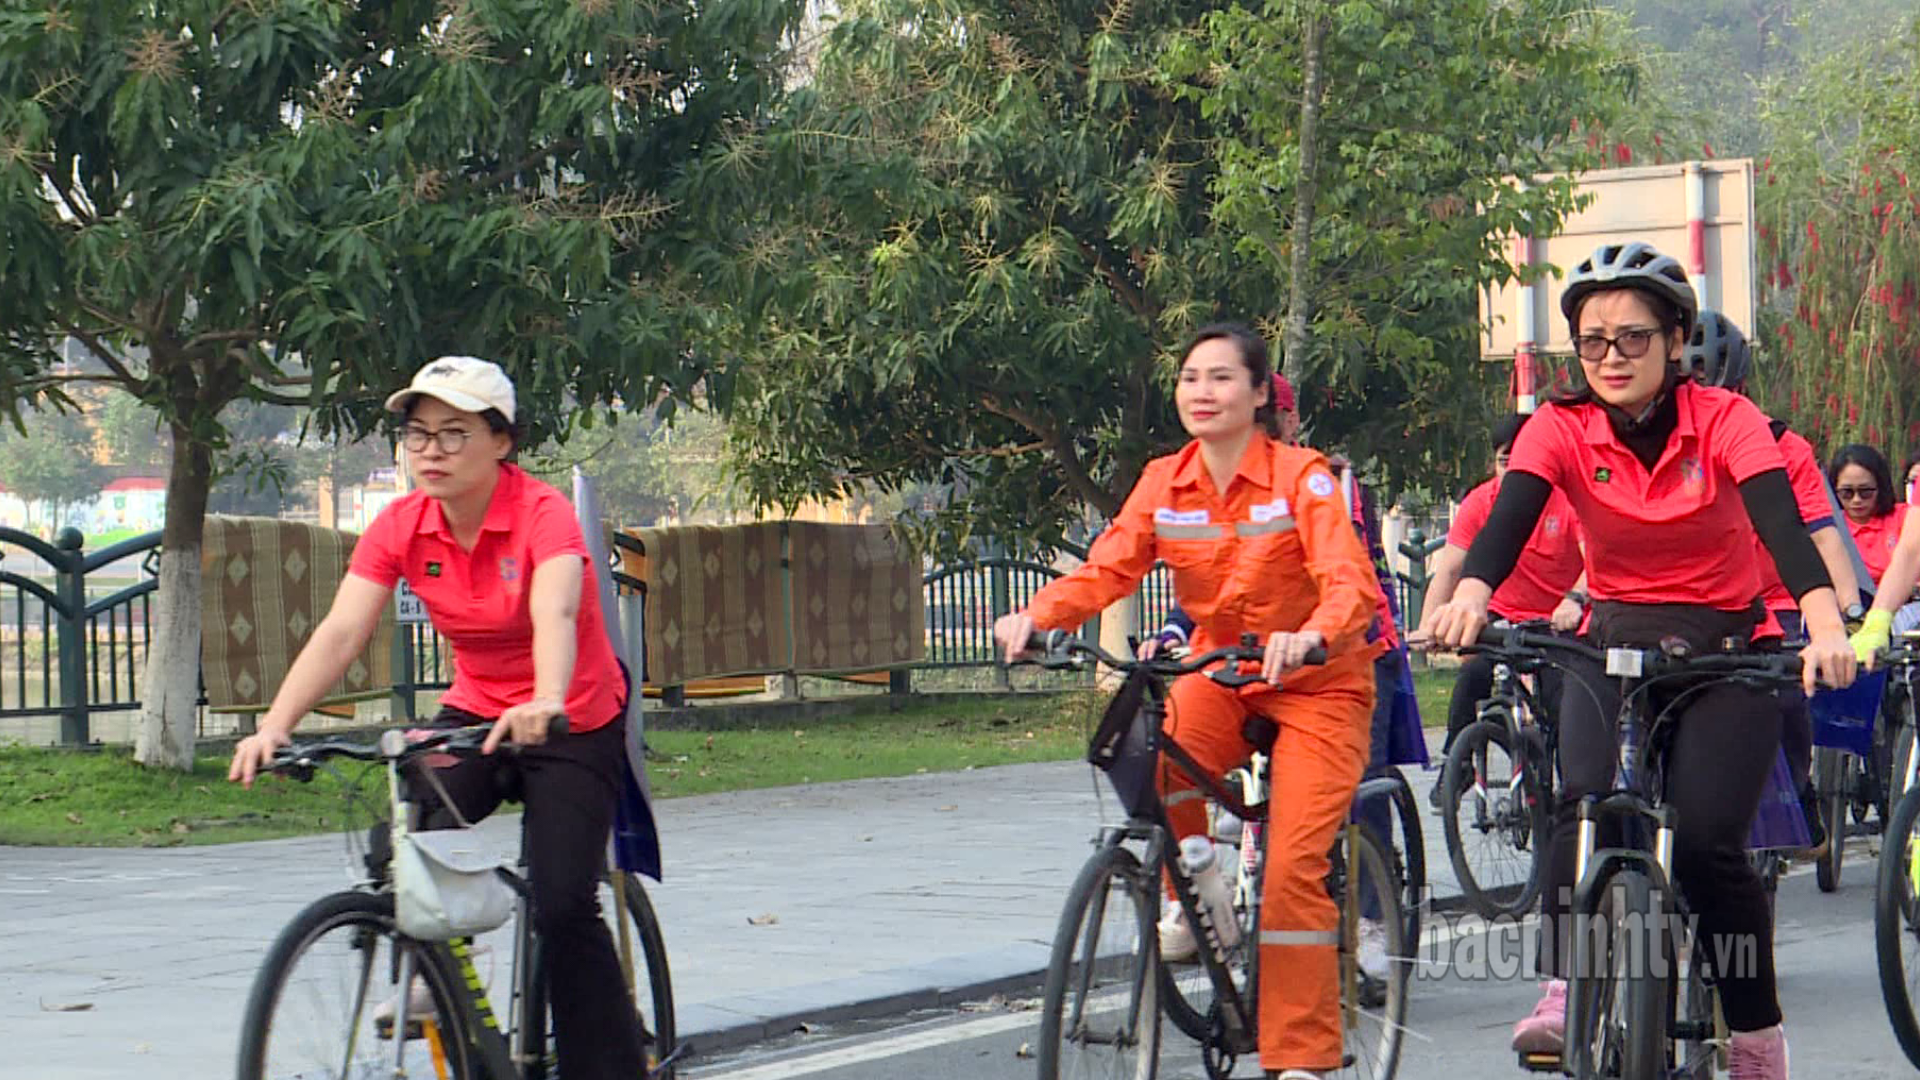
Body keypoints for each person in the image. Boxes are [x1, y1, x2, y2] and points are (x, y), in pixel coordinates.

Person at [1415, 242, 1857, 1080]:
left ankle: (1759, 1043)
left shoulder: (1727, 419)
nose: (1611, 358)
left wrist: (1825, 622)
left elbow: (1783, 529)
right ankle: (1560, 986)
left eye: (1633, 338)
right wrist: (1471, 596)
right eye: (1592, 342)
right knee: (1579, 803)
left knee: (1704, 847)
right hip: (1609, 644)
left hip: (1728, 650)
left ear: (1677, 338)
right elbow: (1506, 522)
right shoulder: (1559, 425)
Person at [228, 357, 648, 1079]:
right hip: (478, 709)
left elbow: (555, 612)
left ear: (502, 442)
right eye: (418, 435)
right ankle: (436, 976)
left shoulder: (542, 514)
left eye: (454, 434)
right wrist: (275, 725)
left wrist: (546, 699)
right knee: (406, 823)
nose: (430, 451)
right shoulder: (402, 525)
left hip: (570, 715)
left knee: (561, 904)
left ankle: (610, 1063)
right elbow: (340, 632)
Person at [995, 323, 1378, 1080]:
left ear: (1261, 392)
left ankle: (1300, 1058)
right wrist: (1038, 617)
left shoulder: (1305, 479)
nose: (1202, 392)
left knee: (1293, 869)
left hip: (1318, 683)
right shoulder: (1162, 480)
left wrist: (1312, 635)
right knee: (1152, 757)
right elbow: (1107, 567)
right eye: (1189, 378)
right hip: (1221, 670)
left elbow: (1349, 583)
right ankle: (1195, 879)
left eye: (1222, 377)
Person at [1144, 372, 1419, 984]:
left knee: (1354, 782)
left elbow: (1336, 579)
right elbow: (1214, 577)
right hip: (1253, 660)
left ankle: (1370, 919)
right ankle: (1198, 895)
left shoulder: (1326, 482)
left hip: (1343, 651)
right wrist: (1169, 631)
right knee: (1176, 754)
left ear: (1286, 423)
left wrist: (1314, 635)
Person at [1687, 308, 1863, 856]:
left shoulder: (1786, 448)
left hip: (1783, 596)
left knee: (1788, 696)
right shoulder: (1669, 446)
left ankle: (1801, 787)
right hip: (1699, 600)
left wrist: (1847, 610)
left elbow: (1821, 532)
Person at [1422, 412, 1586, 773]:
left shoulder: (1569, 500)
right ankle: (1458, 763)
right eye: (1503, 461)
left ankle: (1566, 785)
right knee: (1473, 674)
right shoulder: (1480, 502)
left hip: (1555, 621)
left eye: (1522, 460)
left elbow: (1597, 563)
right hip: (1499, 618)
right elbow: (1449, 570)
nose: (1513, 470)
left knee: (1562, 695)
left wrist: (1573, 600)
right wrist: (1427, 627)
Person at [1831, 443, 1907, 586]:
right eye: (1847, 493)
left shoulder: (1905, 517)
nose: (1856, 500)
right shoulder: (1830, 529)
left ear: (1880, 487)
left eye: (1865, 492)